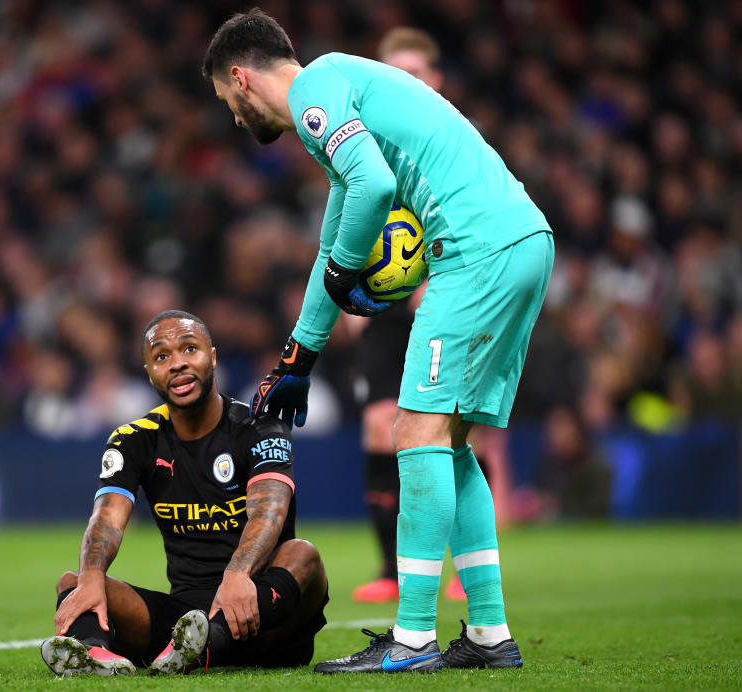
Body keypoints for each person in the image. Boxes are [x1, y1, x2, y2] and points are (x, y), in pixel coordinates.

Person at [204, 9, 553, 673]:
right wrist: (297, 357)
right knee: (450, 445)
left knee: (413, 432)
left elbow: (376, 187)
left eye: (226, 99)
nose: (232, 113)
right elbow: (334, 246)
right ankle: (488, 633)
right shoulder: (340, 95)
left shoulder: (316, 90)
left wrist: (342, 271)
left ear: (241, 78)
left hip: (474, 250)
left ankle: (414, 638)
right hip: (522, 240)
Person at [41, 310, 329, 677]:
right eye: (161, 356)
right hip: (183, 621)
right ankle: (92, 652)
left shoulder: (260, 426)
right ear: (149, 372)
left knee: (303, 555)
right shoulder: (134, 439)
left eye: (189, 349)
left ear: (212, 356)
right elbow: (108, 517)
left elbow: (269, 511)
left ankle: (208, 646)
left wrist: (239, 574)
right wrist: (92, 575)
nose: (177, 364)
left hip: (264, 612)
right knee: (75, 581)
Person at [350, 25, 452, 605]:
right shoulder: (370, 142)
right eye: (397, 73)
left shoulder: (451, 137)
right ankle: (389, 568)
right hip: (386, 308)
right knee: (378, 426)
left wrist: (438, 279)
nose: (408, 83)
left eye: (416, 72)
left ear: (435, 80)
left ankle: (460, 565)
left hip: (445, 296)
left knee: (456, 434)